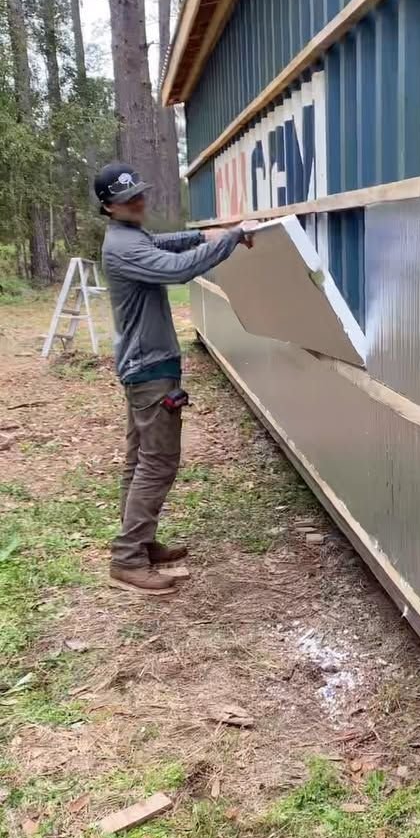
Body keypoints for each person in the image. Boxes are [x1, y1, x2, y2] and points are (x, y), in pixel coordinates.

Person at [97, 161, 255, 596]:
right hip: (150, 371)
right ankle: (128, 558)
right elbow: (176, 270)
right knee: (158, 462)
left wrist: (204, 235)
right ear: (109, 206)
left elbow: (164, 243)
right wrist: (232, 238)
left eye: (140, 193)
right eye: (129, 198)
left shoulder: (129, 236)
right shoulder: (124, 247)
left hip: (142, 366)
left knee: (140, 461)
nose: (139, 201)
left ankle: (140, 546)